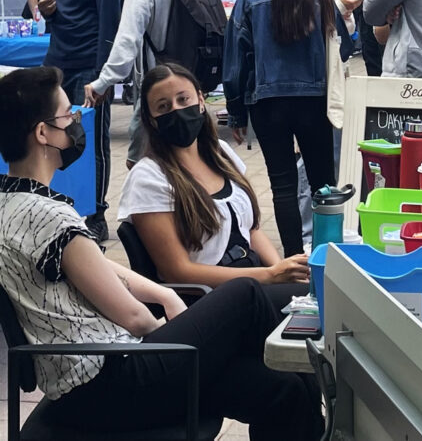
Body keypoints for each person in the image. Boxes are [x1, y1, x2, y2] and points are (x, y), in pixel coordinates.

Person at [0, 66, 322, 440]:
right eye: (68, 115)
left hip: (101, 376)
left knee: (279, 388)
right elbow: (136, 318)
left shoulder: (13, 202)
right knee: (246, 296)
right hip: (112, 380)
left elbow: (98, 266)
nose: (76, 121)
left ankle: (302, 376)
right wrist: (183, 336)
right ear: (44, 133)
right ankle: (316, 363)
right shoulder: (51, 216)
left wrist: (166, 295)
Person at [118, 64, 310, 310]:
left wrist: (285, 273)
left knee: (315, 294)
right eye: (163, 107)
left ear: (200, 100)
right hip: (208, 300)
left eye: (183, 99)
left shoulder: (220, 153)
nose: (176, 110)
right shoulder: (148, 177)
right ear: (152, 120)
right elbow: (177, 272)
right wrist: (270, 275)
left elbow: (251, 230)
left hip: (251, 283)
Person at [223, 0, 344, 256]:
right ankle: (325, 252)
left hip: (267, 102)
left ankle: (293, 258)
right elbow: (342, 48)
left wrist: (235, 112)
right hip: (314, 101)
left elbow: (235, 62)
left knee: (283, 184)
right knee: (323, 182)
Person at [37, 0, 121, 241]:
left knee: (89, 139)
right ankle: (57, 205)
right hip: (58, 62)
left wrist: (102, 78)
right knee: (51, 135)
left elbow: (110, 20)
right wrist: (46, 10)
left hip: (90, 66)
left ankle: (96, 213)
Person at [82, 0, 197, 169]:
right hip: (188, 81)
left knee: (139, 164)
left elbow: (127, 39)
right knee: (184, 158)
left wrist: (102, 82)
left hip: (157, 84)